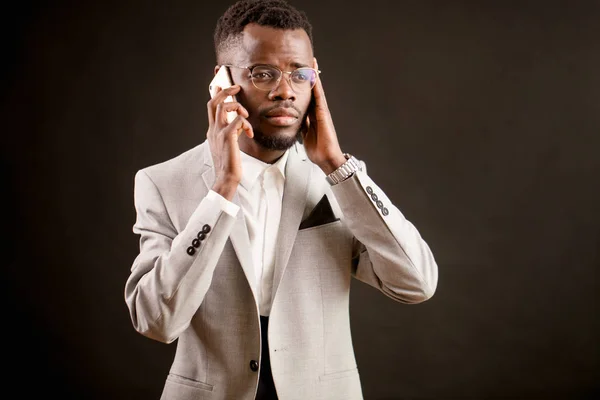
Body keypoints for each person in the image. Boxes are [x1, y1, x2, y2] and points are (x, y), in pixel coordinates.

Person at [124, 0, 438, 399]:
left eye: (299, 73)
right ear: (221, 80)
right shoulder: (163, 182)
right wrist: (221, 192)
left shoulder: (339, 181)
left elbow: (416, 283)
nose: (285, 90)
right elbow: (156, 321)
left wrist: (336, 166)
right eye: (263, 73)